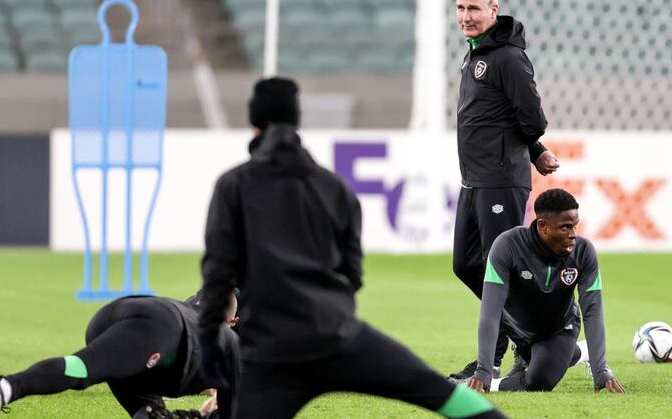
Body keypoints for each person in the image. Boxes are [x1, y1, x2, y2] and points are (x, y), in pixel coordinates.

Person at [198, 77, 506, 419]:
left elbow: (217, 278)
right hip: (338, 336)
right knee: (443, 395)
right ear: (297, 119)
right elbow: (353, 274)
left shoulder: (233, 186)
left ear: (253, 121)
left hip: (270, 354)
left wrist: (212, 354)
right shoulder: (333, 187)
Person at [449, 0, 561, 381]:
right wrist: (536, 151)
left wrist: (531, 148)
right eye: (460, 8)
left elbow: (532, 117)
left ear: (493, 10)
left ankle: (507, 352)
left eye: (474, 8)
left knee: (501, 269)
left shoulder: (508, 58)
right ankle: (530, 339)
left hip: (499, 179)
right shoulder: (475, 53)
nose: (466, 16)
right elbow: (507, 117)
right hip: (474, 179)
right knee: (465, 265)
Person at [0, 292, 240, 419]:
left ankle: (6, 387)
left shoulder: (188, 312)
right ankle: (8, 387)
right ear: (232, 321)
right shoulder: (226, 338)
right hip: (159, 326)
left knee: (149, 412)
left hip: (111, 315)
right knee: (83, 369)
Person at [462, 189, 624, 394]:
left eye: (575, 226)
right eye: (566, 228)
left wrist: (601, 371)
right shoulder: (507, 246)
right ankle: (574, 352)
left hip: (560, 329)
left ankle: (487, 385)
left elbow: (593, 311)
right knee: (545, 359)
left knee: (539, 381)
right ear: (543, 226)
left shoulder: (584, 252)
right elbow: (490, 311)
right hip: (518, 330)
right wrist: (483, 370)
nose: (573, 235)